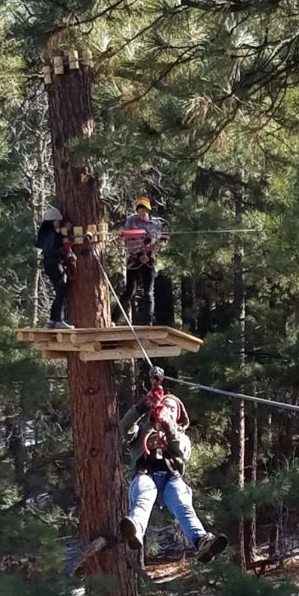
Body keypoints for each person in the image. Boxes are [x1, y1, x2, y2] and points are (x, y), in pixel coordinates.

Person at [119, 368, 228, 563]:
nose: (167, 411)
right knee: (143, 496)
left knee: (183, 505)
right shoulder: (142, 432)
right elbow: (124, 427)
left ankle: (202, 541)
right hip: (146, 475)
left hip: (171, 479)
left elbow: (181, 451)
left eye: (171, 410)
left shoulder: (182, 438)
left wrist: (168, 427)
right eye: (164, 407)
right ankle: (135, 529)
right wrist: (143, 406)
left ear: (177, 417)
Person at [117, 196, 166, 325]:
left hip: (149, 259)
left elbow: (158, 240)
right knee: (130, 291)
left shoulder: (156, 223)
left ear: (148, 209)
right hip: (134, 259)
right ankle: (114, 318)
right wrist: (141, 244)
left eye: (143, 208)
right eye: (139, 208)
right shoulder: (131, 221)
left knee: (148, 293)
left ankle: (148, 322)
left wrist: (151, 244)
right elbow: (127, 241)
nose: (141, 211)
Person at [35, 207, 76, 330]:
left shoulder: (46, 234)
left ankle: (53, 319)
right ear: (53, 221)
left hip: (49, 265)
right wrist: (66, 246)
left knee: (59, 292)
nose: (58, 223)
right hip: (55, 264)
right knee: (61, 292)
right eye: (57, 221)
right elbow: (55, 250)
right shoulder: (52, 235)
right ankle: (58, 320)